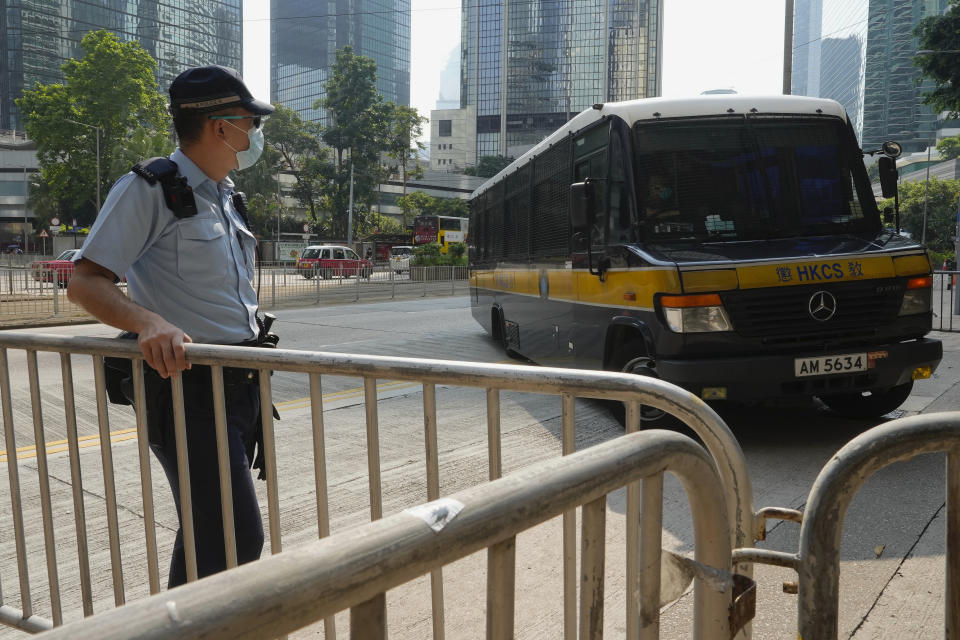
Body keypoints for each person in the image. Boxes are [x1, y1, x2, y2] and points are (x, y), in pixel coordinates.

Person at [67, 65, 274, 588]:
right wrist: (147, 321)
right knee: (235, 536)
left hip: (240, 384)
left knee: (209, 534)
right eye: (249, 122)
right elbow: (86, 282)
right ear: (218, 126)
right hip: (188, 389)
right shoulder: (152, 188)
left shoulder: (227, 198)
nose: (254, 135)